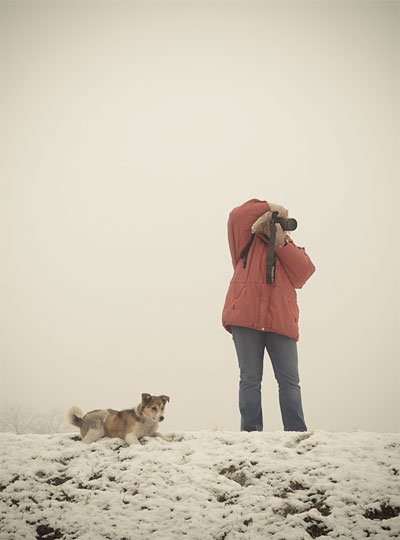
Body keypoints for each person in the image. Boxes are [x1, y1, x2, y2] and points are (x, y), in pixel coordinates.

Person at [222, 198, 315, 432]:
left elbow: (304, 274)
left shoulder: (288, 247)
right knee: (250, 379)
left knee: (289, 381)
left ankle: (296, 431)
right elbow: (236, 216)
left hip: (280, 322)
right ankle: (251, 432)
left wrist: (281, 242)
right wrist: (269, 207)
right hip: (247, 318)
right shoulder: (247, 241)